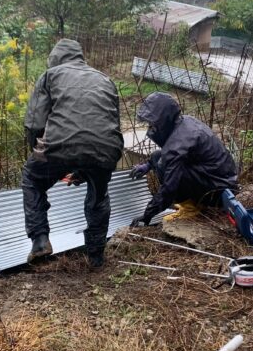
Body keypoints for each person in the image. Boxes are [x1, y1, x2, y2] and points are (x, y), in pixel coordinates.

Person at [22, 38, 124, 268]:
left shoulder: (50, 75)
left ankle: (39, 241)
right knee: (98, 198)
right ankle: (96, 256)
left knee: (31, 177)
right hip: (106, 150)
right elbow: (108, 125)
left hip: (59, 147)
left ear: (55, 58)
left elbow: (34, 123)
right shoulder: (105, 79)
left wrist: (38, 151)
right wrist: (84, 166)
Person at [130, 91, 238, 226]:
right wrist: (148, 165)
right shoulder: (185, 122)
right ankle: (193, 203)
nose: (150, 128)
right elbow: (164, 153)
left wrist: (147, 215)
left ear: (164, 120)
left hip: (218, 192)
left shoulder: (177, 144)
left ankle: (191, 208)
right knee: (160, 157)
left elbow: (169, 188)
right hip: (221, 180)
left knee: (166, 166)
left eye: (153, 124)